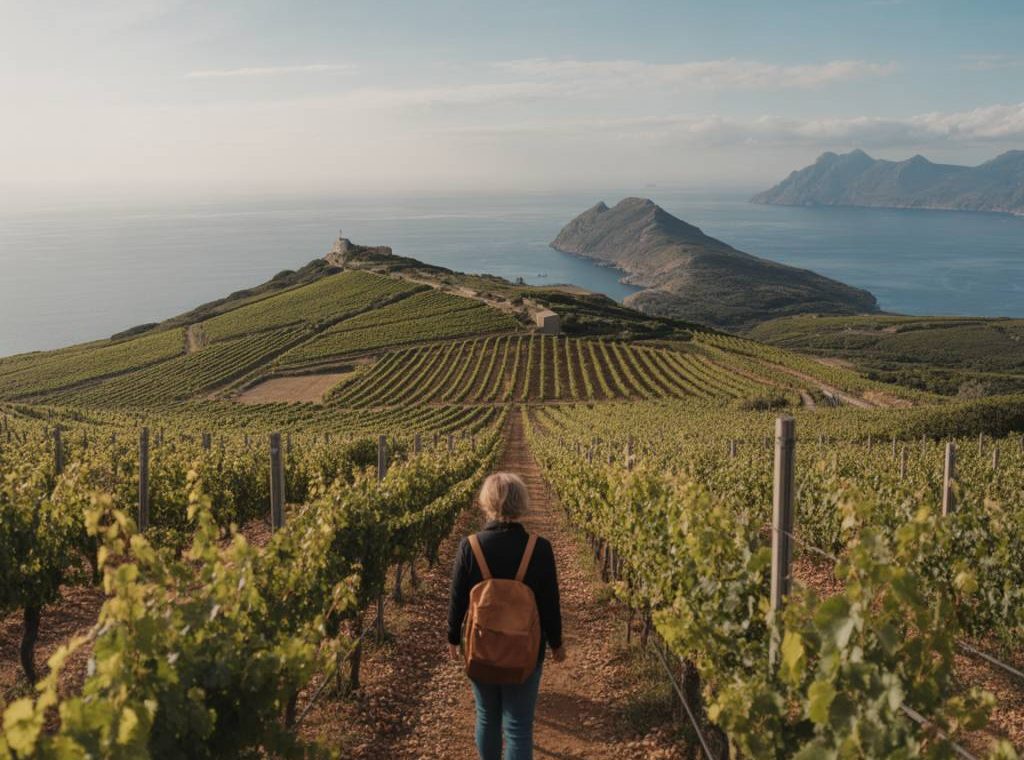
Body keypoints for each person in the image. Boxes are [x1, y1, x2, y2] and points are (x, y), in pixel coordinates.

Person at [447, 472, 564, 760]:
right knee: (519, 726)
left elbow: (457, 599)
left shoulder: (470, 546)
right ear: (520, 503)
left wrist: (452, 639)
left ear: (486, 502)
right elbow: (550, 603)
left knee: (487, 717)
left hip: (482, 646)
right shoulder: (540, 548)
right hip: (526, 649)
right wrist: (556, 643)